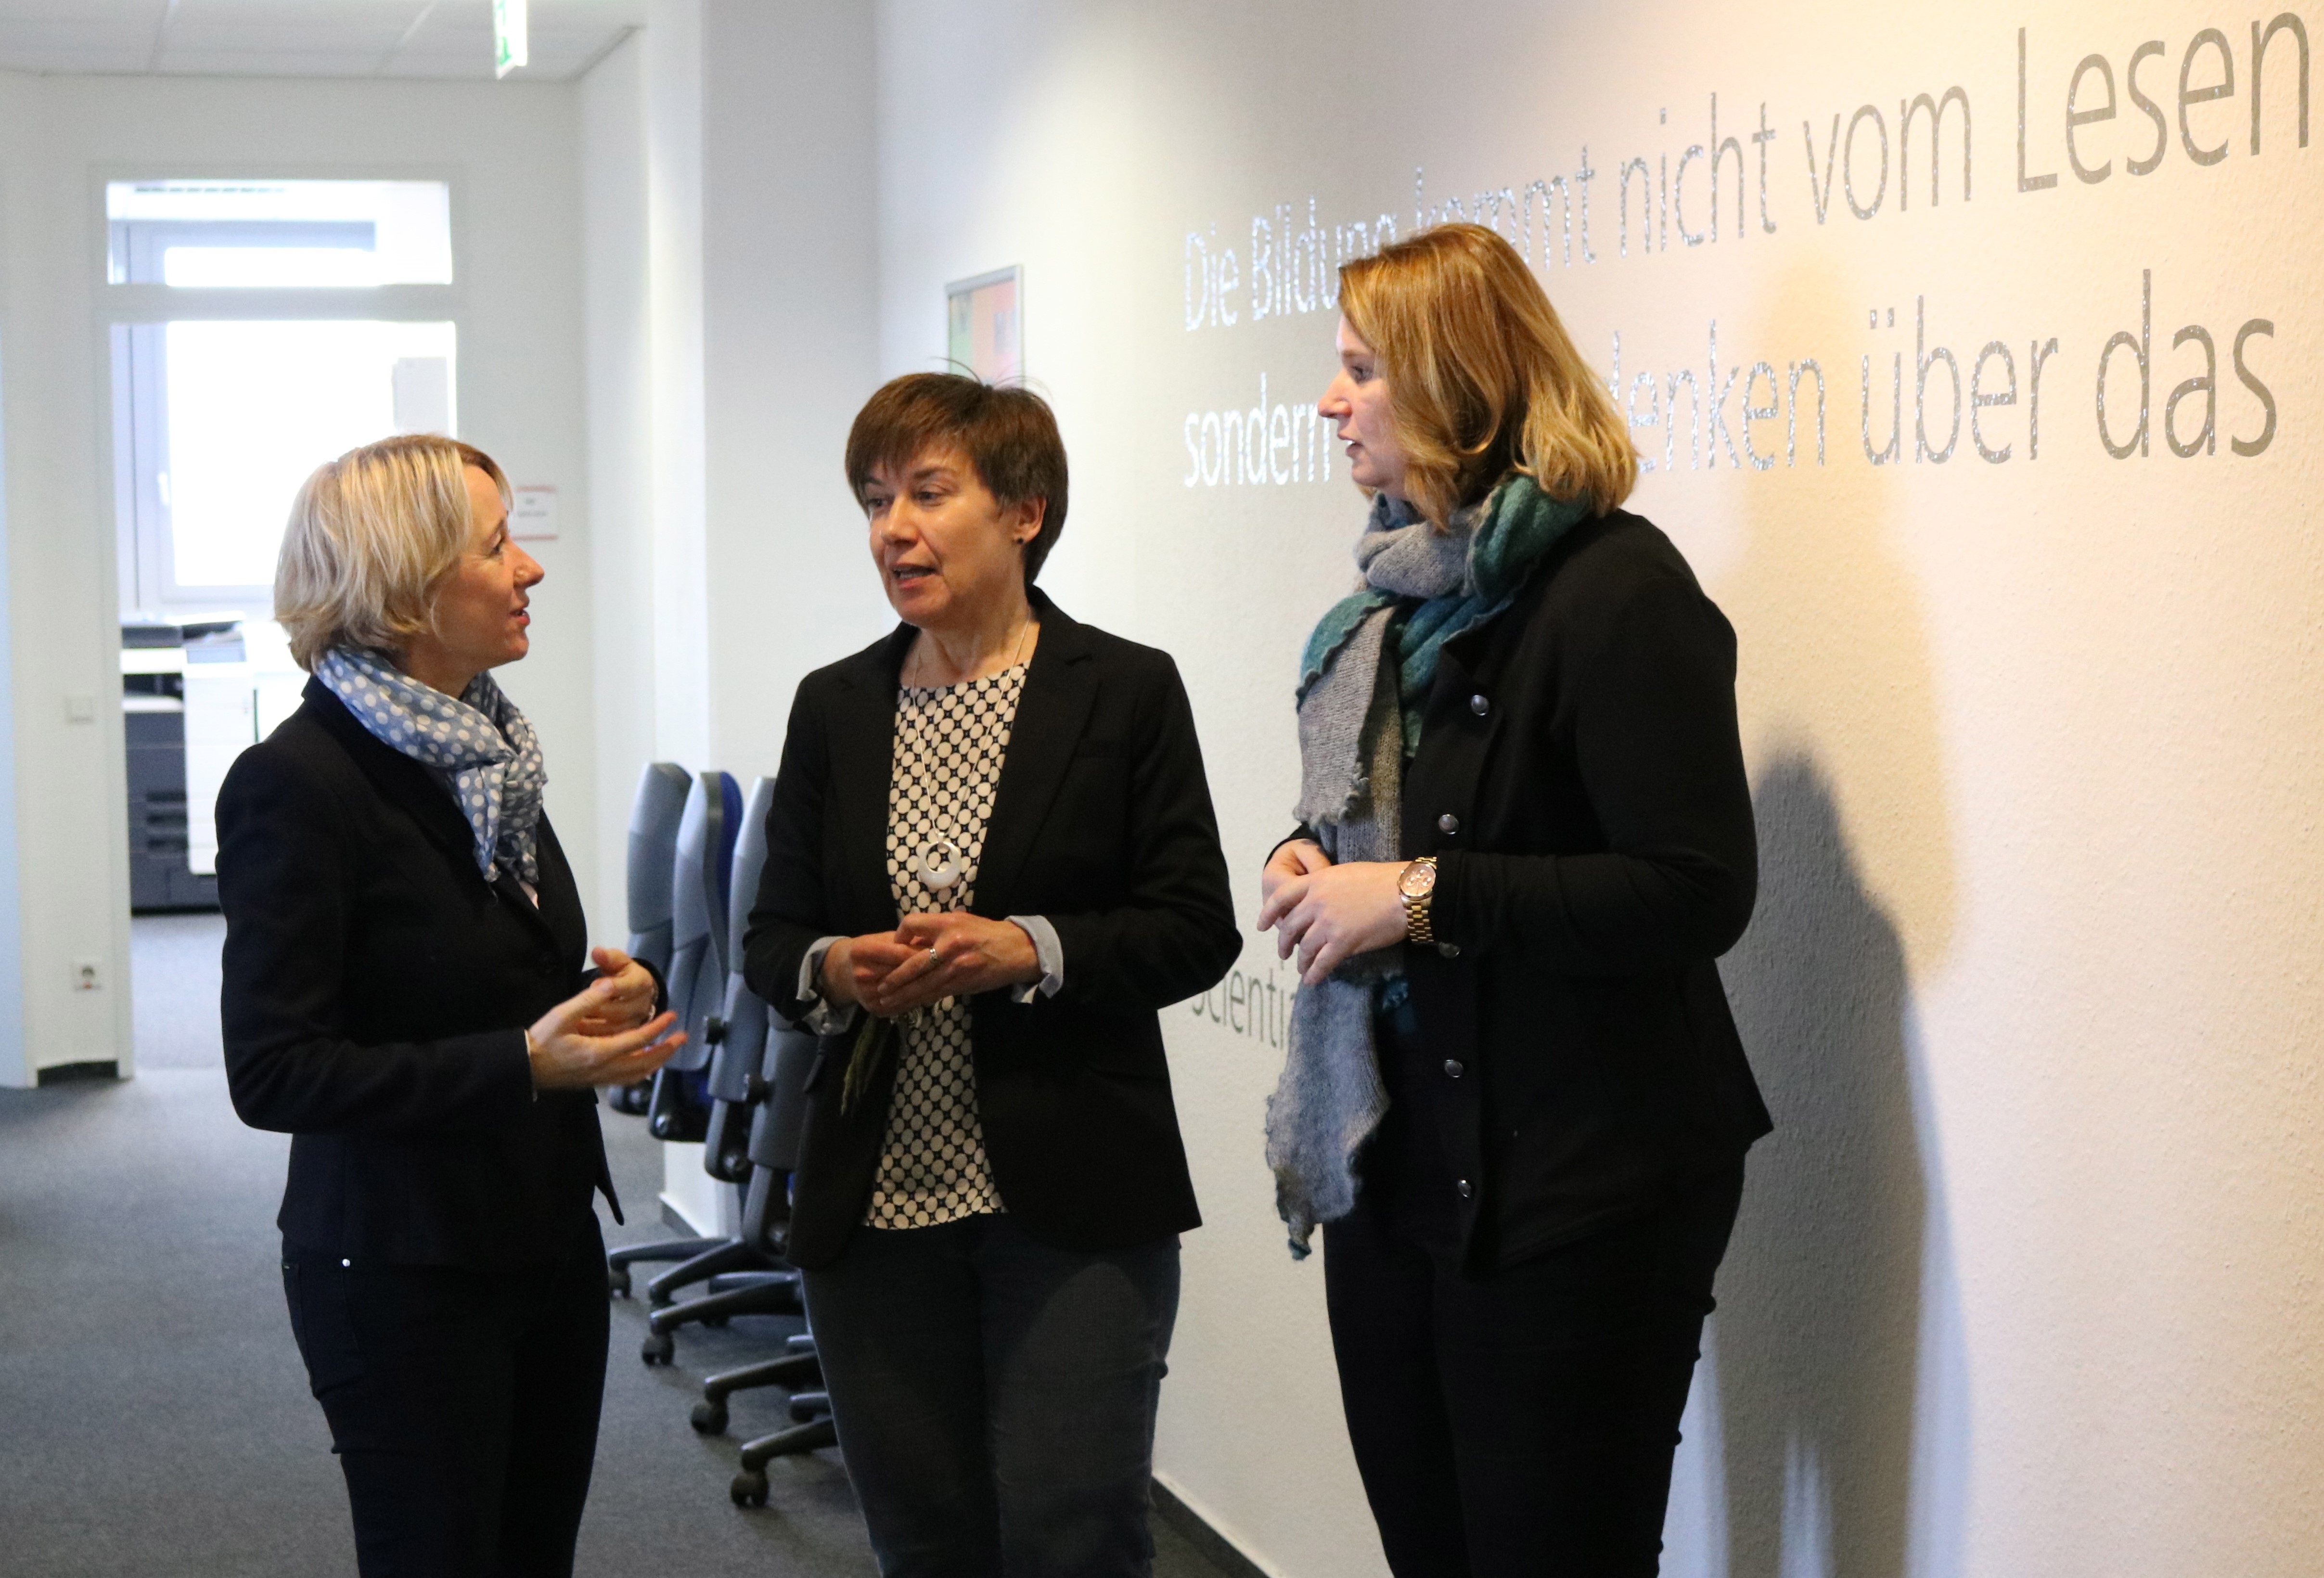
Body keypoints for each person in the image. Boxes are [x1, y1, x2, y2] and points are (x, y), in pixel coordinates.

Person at [1256, 223, 1772, 1576]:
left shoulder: (1615, 590)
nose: (1328, 403)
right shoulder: (1385, 606)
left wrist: (1417, 899)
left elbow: (1694, 888)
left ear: (1453, 385)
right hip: (1396, 1163)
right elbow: (1393, 822)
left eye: (1359, 370)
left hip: (1575, 1191)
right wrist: (1307, 863)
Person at [743, 373, 1240, 1578]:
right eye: (875, 500)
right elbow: (772, 938)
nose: (892, 529)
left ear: (1024, 509)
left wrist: (1032, 947)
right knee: (926, 1543)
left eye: (927, 492)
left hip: (1072, 1199)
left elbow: (1195, 925)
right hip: (876, 1202)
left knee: (1075, 1541)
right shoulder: (836, 706)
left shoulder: (1123, 690)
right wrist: (837, 967)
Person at [218, 434, 682, 1578]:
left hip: (544, 1243)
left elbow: (491, 974)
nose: (529, 568)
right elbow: (274, 1070)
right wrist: (525, 1061)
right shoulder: (298, 781)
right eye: (497, 544)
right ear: (407, 586)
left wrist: (603, 1001)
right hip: (401, 1270)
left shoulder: (490, 750)